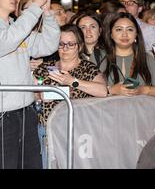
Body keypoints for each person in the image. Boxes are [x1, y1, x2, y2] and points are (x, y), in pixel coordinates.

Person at [0, 0, 60, 169]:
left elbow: (48, 45)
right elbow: (7, 41)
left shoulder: (15, 26)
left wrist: (47, 13)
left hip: (26, 110)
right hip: (1, 115)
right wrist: (35, 7)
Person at [33, 24, 107, 167]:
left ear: (79, 46)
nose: (65, 48)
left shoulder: (88, 67)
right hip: (47, 130)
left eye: (70, 44)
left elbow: (103, 91)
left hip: (78, 131)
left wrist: (73, 81)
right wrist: (38, 96)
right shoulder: (45, 68)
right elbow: (30, 94)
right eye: (61, 44)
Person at [100, 13, 155, 98]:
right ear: (111, 34)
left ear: (136, 34)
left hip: (141, 110)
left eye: (130, 30)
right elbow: (84, 91)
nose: (124, 34)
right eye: (119, 29)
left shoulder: (146, 58)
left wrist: (143, 90)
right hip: (105, 110)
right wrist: (110, 90)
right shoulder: (99, 57)